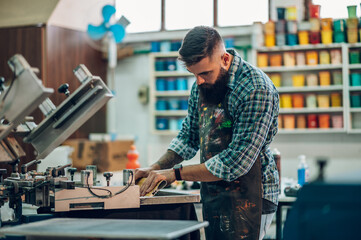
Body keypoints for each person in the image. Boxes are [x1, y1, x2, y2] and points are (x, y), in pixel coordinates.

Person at [135, 26, 280, 240]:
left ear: (225, 59)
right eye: (194, 74)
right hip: (213, 191)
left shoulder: (256, 89)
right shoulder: (201, 85)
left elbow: (235, 162)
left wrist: (174, 174)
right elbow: (189, 136)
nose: (199, 81)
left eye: (204, 73)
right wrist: (155, 168)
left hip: (250, 194)